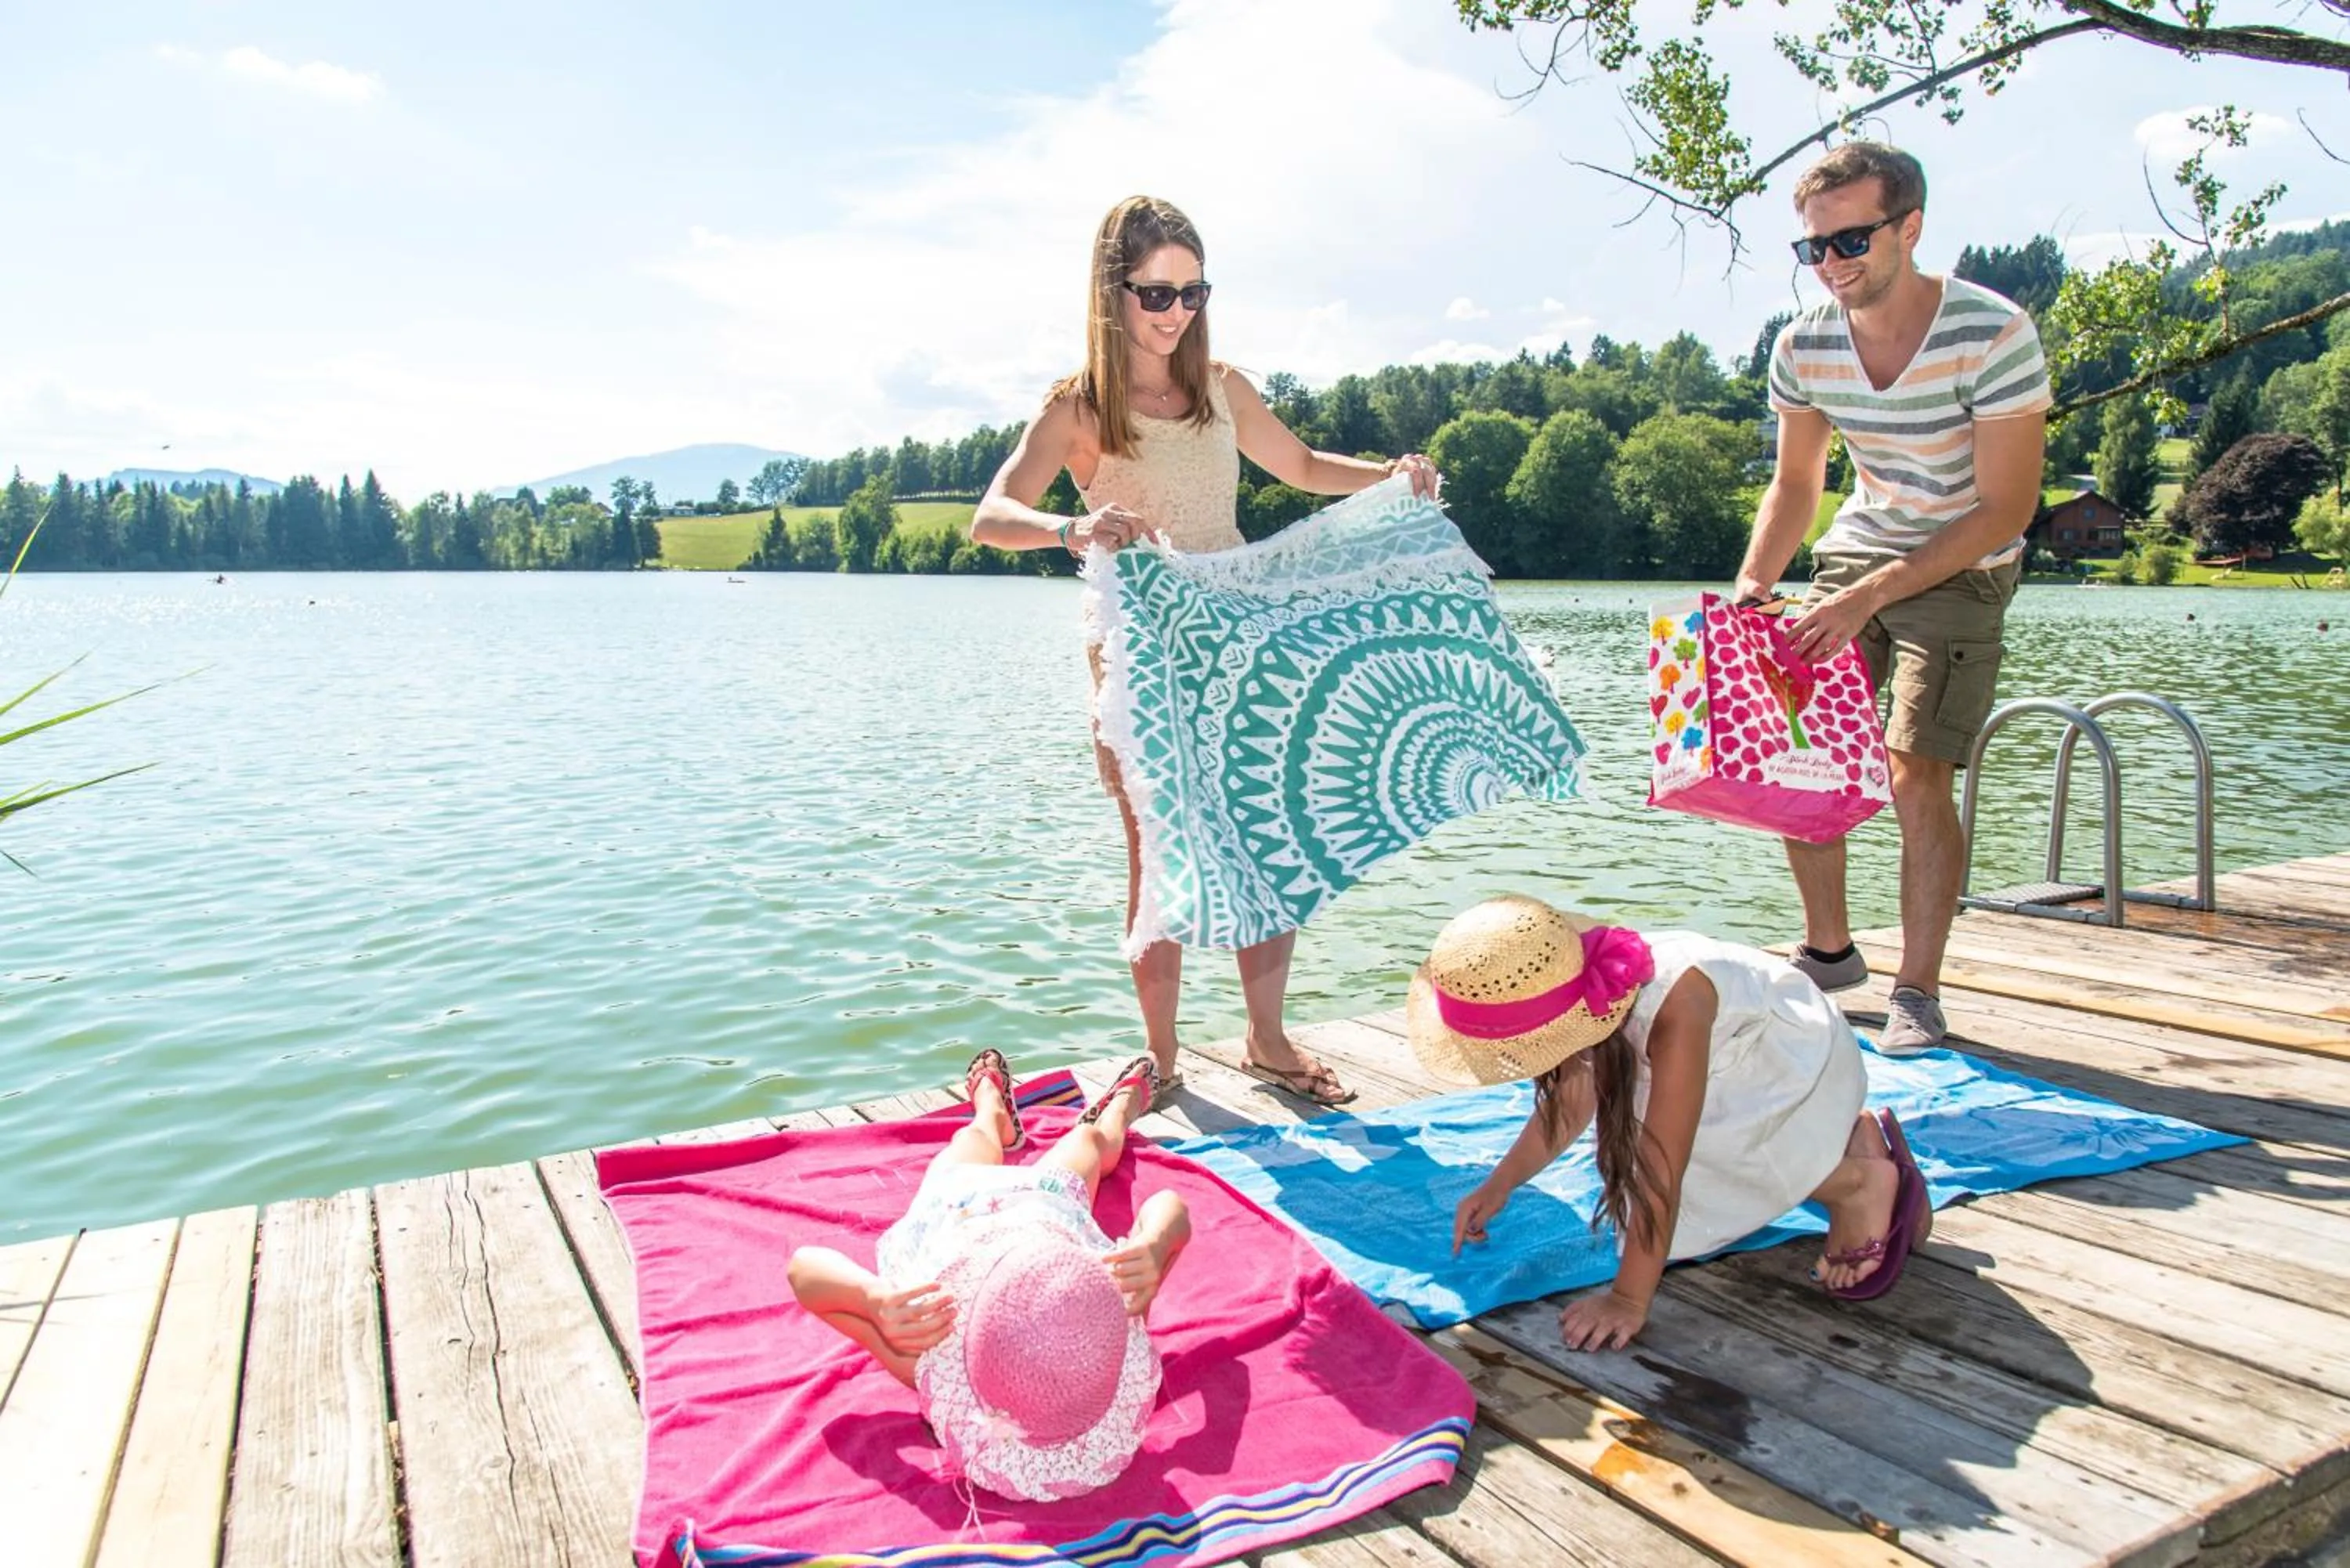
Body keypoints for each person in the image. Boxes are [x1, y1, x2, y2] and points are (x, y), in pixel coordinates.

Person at [971, 195, 1440, 1105]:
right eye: (1156, 294)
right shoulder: (1079, 407)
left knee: (1271, 837)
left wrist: (1388, 475)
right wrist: (1074, 524)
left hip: (1238, 641)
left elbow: (1300, 466)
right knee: (1156, 849)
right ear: (1114, 293)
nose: (1176, 311)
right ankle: (1164, 1059)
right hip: (1140, 654)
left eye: (1193, 292)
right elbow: (991, 517)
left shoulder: (1225, 387)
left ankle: (1267, 1040)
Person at [1733, 142, 2051, 1053]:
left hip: (1967, 562)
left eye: (1853, 240)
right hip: (1857, 554)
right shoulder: (1804, 347)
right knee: (1800, 756)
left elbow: (2007, 506)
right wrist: (1756, 585)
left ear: (1910, 227)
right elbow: (1797, 485)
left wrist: (1873, 595)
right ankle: (1830, 954)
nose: (1832, 264)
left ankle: (1918, 987)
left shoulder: (1992, 333)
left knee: (1915, 769)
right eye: (1815, 248)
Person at [1409, 895, 1927, 1351]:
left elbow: (1660, 1168)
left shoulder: (1676, 1006)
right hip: (1730, 1059)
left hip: (1793, 1057)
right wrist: (1500, 1185)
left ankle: (1858, 1184)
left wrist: (1628, 1298)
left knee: (1696, 1158)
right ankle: (1841, 1140)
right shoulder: (1574, 981)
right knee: (1644, 1135)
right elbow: (1570, 1102)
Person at [786, 1050, 1189, 1501]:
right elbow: (1170, 1210)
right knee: (1087, 1143)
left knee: (989, 1142)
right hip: (1045, 1210)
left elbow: (804, 1269)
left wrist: (874, 1300)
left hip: (957, 1207)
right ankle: (1086, 1108)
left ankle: (1001, 1111)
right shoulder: (1107, 1312)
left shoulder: (924, 1347)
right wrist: (1152, 1247)